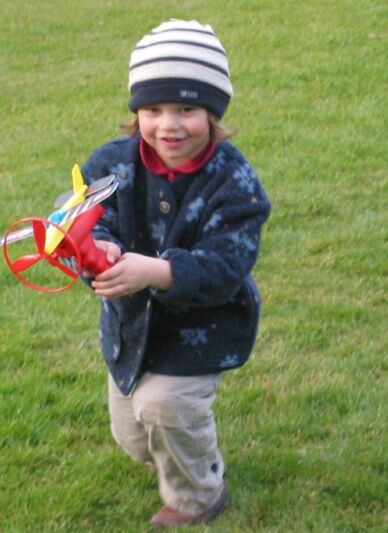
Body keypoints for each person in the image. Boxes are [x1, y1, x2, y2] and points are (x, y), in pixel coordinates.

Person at [81, 19, 271, 529]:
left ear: (212, 112)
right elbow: (85, 219)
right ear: (136, 112)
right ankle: (176, 448)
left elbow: (226, 267)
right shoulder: (111, 164)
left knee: (165, 406)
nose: (168, 124)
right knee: (133, 434)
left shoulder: (235, 183)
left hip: (202, 328)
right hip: (130, 328)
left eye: (186, 109)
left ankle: (199, 494)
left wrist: (158, 271)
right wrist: (96, 249)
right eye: (153, 109)